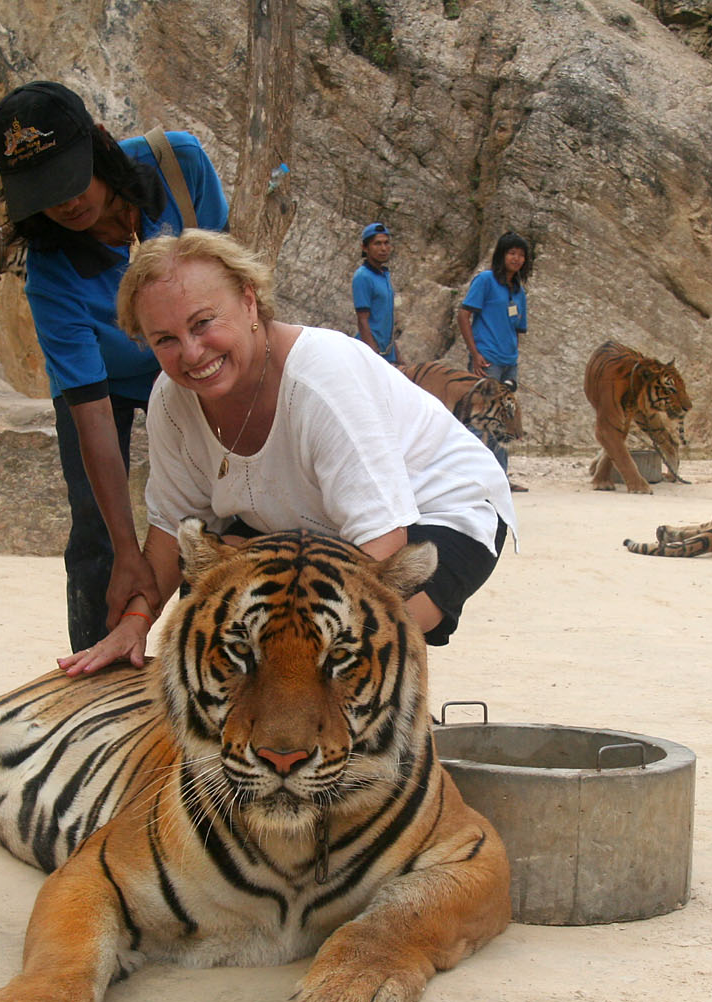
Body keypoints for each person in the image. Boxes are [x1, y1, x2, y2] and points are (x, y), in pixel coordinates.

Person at [58, 229, 517, 675]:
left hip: (436, 511)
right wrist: (133, 625)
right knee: (213, 601)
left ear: (249, 299)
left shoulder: (321, 381)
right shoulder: (170, 400)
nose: (193, 353)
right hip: (305, 521)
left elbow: (383, 545)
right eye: (165, 340)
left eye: (203, 323)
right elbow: (170, 532)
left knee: (339, 647)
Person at [0, 81, 228, 654]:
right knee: (96, 530)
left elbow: (223, 284)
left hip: (193, 360)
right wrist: (127, 551)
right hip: (109, 383)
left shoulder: (179, 167)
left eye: (71, 179)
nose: (66, 203)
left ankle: (212, 661)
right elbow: (91, 410)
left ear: (97, 146)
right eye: (45, 193)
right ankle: (100, 672)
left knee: (223, 508)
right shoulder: (50, 273)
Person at [457, 231, 532, 491]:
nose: (517, 258)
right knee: (479, 419)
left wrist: (514, 357)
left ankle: (500, 477)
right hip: (488, 361)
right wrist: (475, 353)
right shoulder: (486, 281)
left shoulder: (518, 290)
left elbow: (517, 328)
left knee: (505, 420)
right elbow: (464, 314)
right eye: (512, 253)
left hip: (509, 362)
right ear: (502, 255)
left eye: (521, 254)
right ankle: (475, 478)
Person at [352, 222, 397, 365]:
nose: (383, 248)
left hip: (387, 352)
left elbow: (385, 319)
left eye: (386, 243)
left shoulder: (384, 275)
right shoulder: (363, 276)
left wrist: (396, 354)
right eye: (377, 244)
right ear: (365, 248)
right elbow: (362, 319)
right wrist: (373, 355)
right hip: (371, 352)